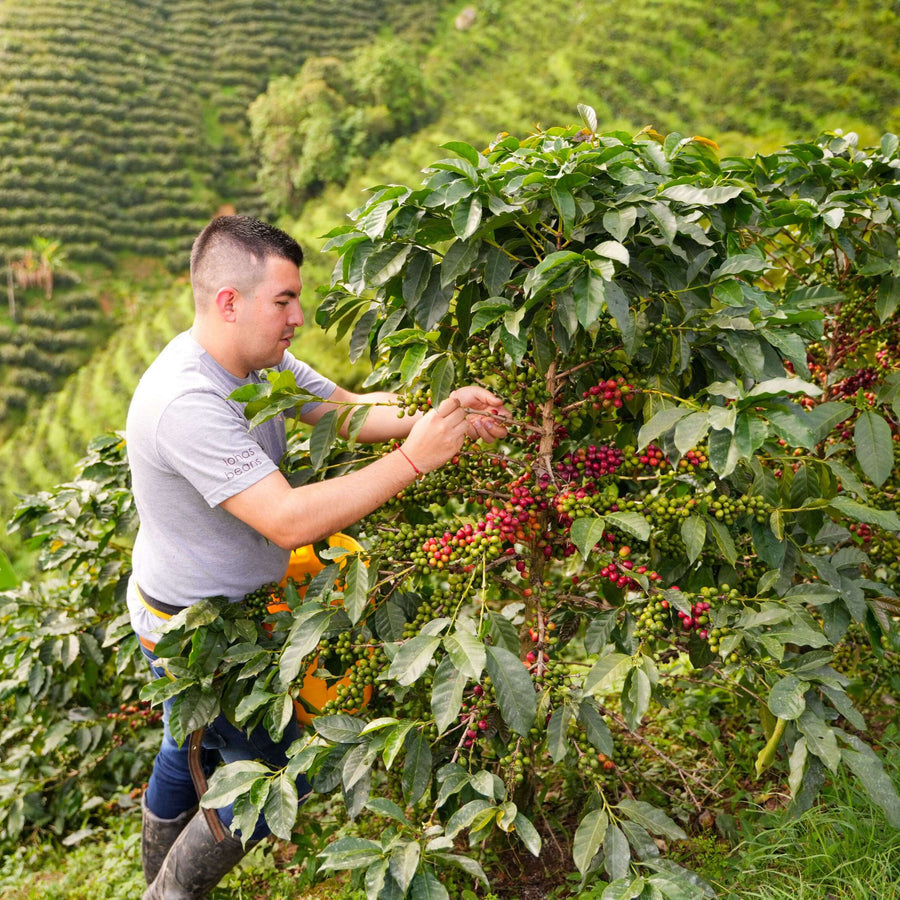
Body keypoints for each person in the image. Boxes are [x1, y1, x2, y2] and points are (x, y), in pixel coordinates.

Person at [126, 214, 507, 899]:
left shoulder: (257, 364)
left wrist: (442, 415)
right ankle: (169, 894)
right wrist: (416, 459)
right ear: (228, 302)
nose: (298, 316)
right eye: (284, 301)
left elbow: (348, 410)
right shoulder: (187, 400)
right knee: (276, 771)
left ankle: (157, 878)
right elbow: (286, 519)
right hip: (190, 627)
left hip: (221, 604)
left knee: (187, 740)